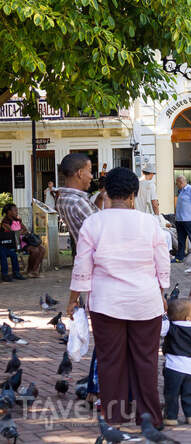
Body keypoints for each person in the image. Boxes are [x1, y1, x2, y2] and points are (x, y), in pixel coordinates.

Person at [67, 167, 169, 428]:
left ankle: (114, 418)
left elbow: (82, 266)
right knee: (146, 361)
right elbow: (162, 263)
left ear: (106, 192)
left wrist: (72, 300)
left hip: (105, 303)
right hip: (146, 302)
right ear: (133, 195)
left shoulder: (94, 223)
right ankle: (150, 418)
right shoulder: (150, 223)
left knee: (111, 361)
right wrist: (162, 293)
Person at [55, 152, 102, 403]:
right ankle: (97, 388)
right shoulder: (76, 202)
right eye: (90, 170)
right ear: (79, 173)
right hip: (99, 272)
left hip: (92, 271)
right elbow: (102, 229)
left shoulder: (67, 199)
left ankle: (97, 387)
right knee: (107, 335)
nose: (92, 176)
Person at [161, 299, 191, 426]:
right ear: (187, 317)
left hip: (173, 368)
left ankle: (171, 418)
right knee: (189, 393)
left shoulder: (169, 327)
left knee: (171, 394)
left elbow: (160, 330)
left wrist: (164, 316)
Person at [1, 204, 46, 278]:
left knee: (42, 249)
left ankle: (34, 270)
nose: (17, 212)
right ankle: (29, 270)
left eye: (17, 210)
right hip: (15, 244)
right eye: (15, 210)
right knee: (35, 250)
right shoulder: (5, 222)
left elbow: (25, 230)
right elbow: (14, 234)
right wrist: (20, 232)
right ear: (9, 212)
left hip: (24, 241)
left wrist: (19, 232)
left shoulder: (17, 220)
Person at [173, 176, 191, 263]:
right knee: (181, 240)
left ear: (181, 182)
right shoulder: (180, 191)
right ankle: (180, 257)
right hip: (180, 220)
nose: (176, 185)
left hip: (189, 219)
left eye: (177, 183)